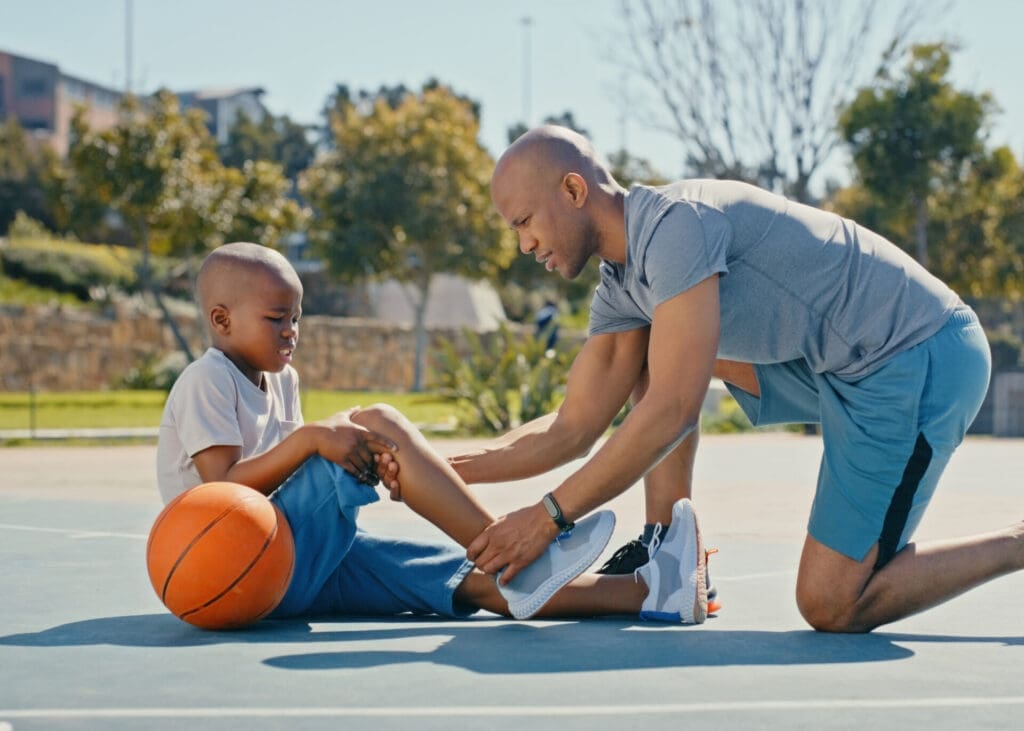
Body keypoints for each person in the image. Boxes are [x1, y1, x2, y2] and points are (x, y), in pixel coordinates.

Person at [452, 125, 1023, 633]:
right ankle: (668, 552)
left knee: (832, 604)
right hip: (838, 366)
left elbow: (673, 408)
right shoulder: (624, 282)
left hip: (916, 356)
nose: (523, 244)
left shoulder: (677, 228)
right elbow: (573, 425)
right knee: (652, 348)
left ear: (574, 191)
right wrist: (430, 466)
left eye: (524, 222)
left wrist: (550, 517)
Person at [155, 241, 709, 625]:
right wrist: (319, 441)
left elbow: (297, 477)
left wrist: (369, 459)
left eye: (297, 317)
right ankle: (518, 551)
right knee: (375, 422)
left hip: (290, 566)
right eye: (277, 318)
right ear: (222, 321)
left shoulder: (284, 381)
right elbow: (222, 490)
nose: (291, 330)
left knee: (482, 585)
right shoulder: (208, 379)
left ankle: (653, 592)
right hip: (233, 567)